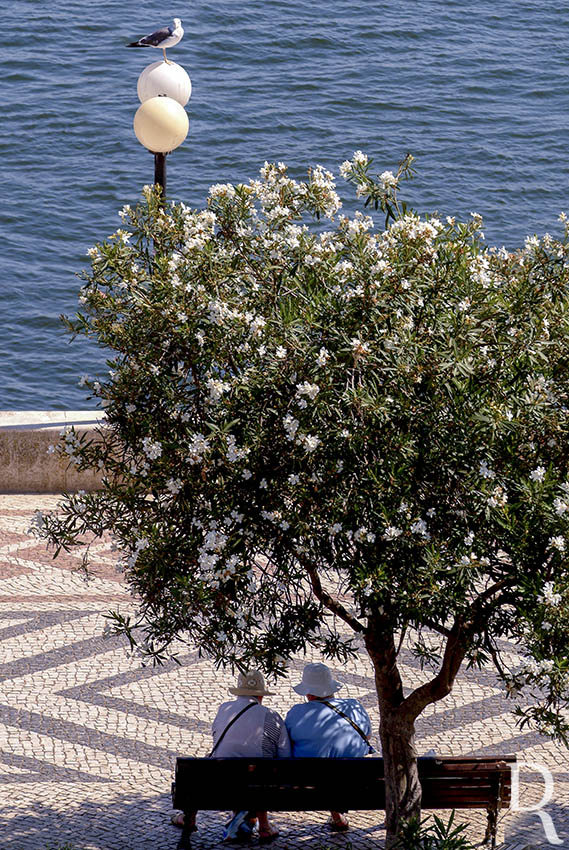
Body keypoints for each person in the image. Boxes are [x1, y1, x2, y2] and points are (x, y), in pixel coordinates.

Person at [171, 669, 290, 843]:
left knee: (208, 766)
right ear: (261, 696)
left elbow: (217, 739)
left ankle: (189, 817)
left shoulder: (224, 709)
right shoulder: (271, 716)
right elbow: (285, 755)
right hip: (260, 786)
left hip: (222, 783)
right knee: (263, 770)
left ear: (238, 692)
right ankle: (264, 825)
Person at [285, 662, 373, 832]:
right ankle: (338, 816)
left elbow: (287, 745)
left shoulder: (296, 713)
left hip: (311, 786)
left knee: (320, 762)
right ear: (332, 689)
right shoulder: (354, 706)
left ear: (308, 693)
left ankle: (336, 816)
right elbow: (367, 736)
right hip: (358, 784)